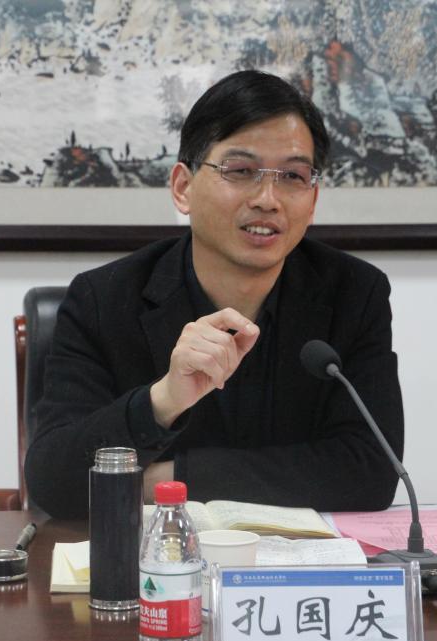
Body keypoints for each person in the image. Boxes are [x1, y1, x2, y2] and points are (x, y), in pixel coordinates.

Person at [24, 70, 403, 520]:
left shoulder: (354, 294)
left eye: (292, 176)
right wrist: (162, 401)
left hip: (297, 557)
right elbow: (54, 481)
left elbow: (371, 471)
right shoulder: (103, 300)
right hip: (153, 556)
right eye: (240, 171)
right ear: (182, 188)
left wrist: (171, 480)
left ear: (313, 199)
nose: (268, 199)